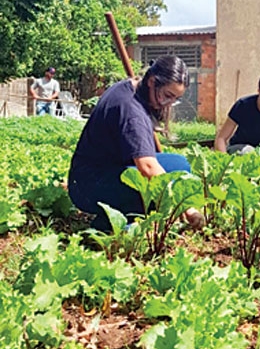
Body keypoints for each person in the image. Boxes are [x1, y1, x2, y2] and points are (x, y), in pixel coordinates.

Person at [68, 56, 202, 232]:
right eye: (167, 95)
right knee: (149, 185)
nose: (168, 103)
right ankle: (112, 225)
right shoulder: (131, 112)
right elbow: (147, 167)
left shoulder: (131, 87)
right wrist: (185, 206)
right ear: (152, 82)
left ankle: (125, 213)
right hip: (89, 186)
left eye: (175, 99)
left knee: (179, 165)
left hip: (94, 172)